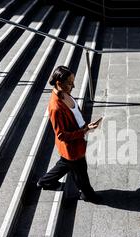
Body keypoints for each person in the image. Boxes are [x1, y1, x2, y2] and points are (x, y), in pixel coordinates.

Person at [36, 65, 102, 204]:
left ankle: (45, 181)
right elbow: (61, 135)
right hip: (71, 147)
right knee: (81, 172)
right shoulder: (56, 107)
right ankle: (88, 195)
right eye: (70, 82)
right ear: (59, 83)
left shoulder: (64, 92)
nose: (73, 85)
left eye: (73, 81)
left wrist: (85, 126)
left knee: (65, 164)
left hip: (75, 144)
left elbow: (74, 115)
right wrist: (84, 131)